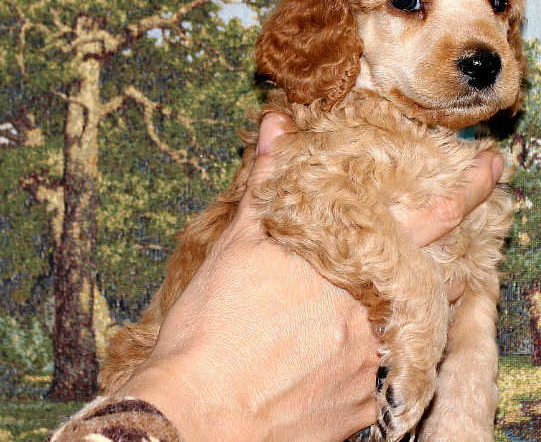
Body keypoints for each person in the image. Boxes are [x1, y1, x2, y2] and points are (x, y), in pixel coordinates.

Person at [47, 113, 504, 442]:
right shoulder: (324, 129)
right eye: (408, 10)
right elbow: (308, 203)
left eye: (501, 12)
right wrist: (221, 406)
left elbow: (471, 300)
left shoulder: (470, 167)